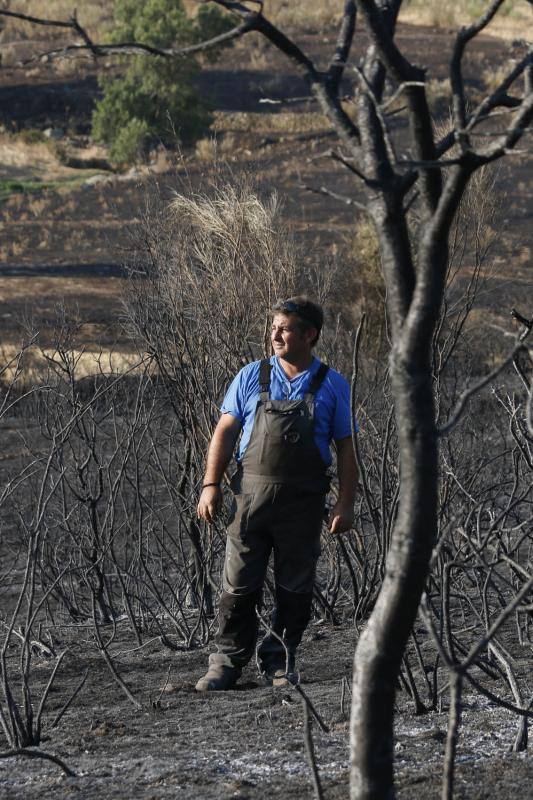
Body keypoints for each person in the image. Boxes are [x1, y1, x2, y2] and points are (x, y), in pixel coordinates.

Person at [195, 296, 358, 691]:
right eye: (274, 327)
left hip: (302, 507)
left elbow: (347, 449)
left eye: (285, 328)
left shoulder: (332, 385)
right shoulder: (252, 375)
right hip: (248, 503)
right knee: (237, 585)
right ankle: (225, 665)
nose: (275, 334)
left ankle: (279, 662)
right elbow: (224, 432)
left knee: (295, 588)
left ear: (309, 335)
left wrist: (346, 502)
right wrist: (210, 485)